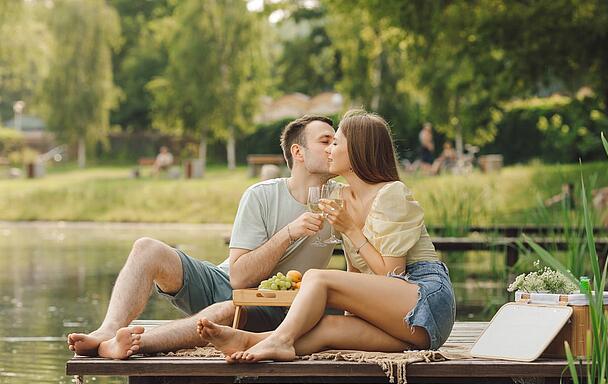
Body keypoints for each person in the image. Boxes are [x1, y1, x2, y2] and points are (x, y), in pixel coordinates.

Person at [67, 115, 338, 359]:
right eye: (325, 141)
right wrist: (289, 233)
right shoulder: (262, 195)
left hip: (274, 307)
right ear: (297, 152)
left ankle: (135, 344)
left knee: (226, 311)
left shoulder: (342, 199)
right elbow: (239, 277)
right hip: (227, 279)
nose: (333, 148)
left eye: (336, 142)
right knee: (146, 248)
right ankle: (108, 331)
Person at [196, 110, 456, 362]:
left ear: (356, 151)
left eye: (335, 143)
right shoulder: (340, 197)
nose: (329, 149)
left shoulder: (391, 194)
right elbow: (356, 274)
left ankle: (279, 341)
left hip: (425, 300)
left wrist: (350, 229)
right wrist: (349, 317)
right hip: (410, 330)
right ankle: (249, 341)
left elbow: (392, 275)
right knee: (329, 327)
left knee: (317, 278)